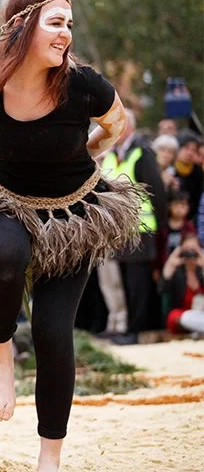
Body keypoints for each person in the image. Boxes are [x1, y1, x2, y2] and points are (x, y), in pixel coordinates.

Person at [0, 0, 143, 472]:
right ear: (21, 25)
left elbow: (115, 127)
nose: (65, 34)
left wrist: (85, 150)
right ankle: (3, 355)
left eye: (69, 24)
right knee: (6, 256)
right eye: (56, 22)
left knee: (55, 333)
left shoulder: (85, 85)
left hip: (72, 213)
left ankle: (49, 456)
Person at [101, 110, 168, 339]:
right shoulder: (114, 153)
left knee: (138, 281)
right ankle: (127, 327)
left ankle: (136, 330)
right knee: (124, 280)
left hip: (141, 228)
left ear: (126, 126)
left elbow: (156, 190)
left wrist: (162, 225)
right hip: (119, 229)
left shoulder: (141, 151)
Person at [162, 231, 204, 334]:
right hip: (184, 317)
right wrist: (170, 264)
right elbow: (162, 291)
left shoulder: (201, 271)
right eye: (186, 250)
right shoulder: (177, 272)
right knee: (174, 316)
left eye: (193, 250)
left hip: (201, 315)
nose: (190, 253)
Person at [175, 132, 203, 222]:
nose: (190, 153)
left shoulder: (198, 171)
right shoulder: (170, 169)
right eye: (186, 148)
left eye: (194, 150)